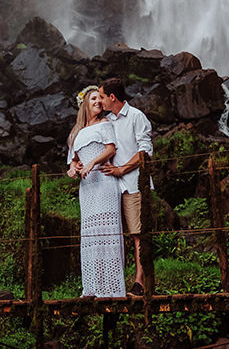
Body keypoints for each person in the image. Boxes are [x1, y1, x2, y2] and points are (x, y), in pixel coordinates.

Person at [66, 85, 126, 298]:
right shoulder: (77, 132)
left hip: (104, 183)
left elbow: (110, 149)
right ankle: (92, 287)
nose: (98, 103)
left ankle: (111, 288)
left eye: (100, 100)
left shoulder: (105, 124)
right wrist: (74, 169)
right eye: (93, 99)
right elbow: (72, 162)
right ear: (84, 104)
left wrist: (92, 163)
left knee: (107, 230)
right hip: (87, 188)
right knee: (91, 234)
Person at [97, 77, 153, 296]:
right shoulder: (108, 121)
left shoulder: (137, 117)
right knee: (113, 234)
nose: (100, 101)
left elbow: (145, 151)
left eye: (102, 97)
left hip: (132, 184)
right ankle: (112, 283)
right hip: (110, 187)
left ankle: (140, 282)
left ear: (112, 97)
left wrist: (123, 169)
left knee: (137, 234)